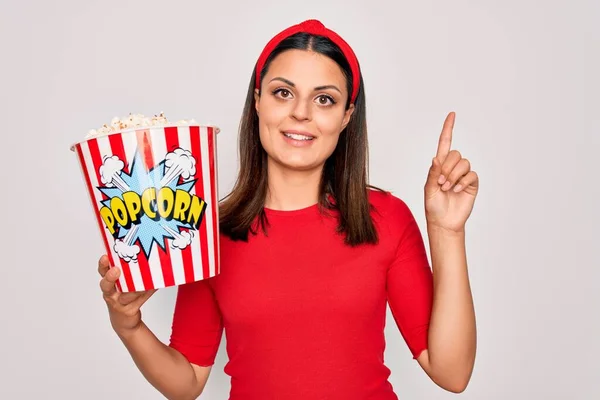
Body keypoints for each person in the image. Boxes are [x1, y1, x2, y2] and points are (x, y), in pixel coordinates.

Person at [97, 19, 478, 400]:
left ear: (346, 116)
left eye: (324, 99)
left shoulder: (386, 218)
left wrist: (447, 232)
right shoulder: (209, 231)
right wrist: (128, 326)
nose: (301, 113)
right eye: (283, 93)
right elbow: (188, 381)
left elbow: (452, 372)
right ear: (258, 100)